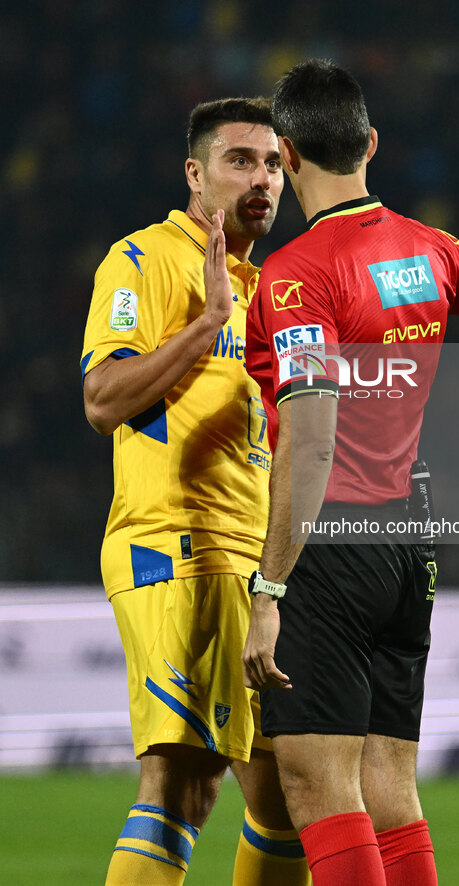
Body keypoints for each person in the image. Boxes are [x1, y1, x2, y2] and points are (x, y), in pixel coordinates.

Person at [204, 61, 459, 886]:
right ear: (369, 143)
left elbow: (310, 437)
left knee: (316, 785)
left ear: (285, 156)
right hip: (409, 537)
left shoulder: (296, 277)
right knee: (389, 787)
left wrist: (271, 590)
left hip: (332, 545)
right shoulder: (430, 250)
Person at [81, 97, 311, 886]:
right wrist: (205, 320)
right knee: (182, 785)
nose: (262, 179)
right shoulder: (143, 261)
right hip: (175, 545)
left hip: (255, 564)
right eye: (240, 161)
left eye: (274, 164)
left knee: (284, 792)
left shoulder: (268, 287)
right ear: (195, 172)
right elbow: (103, 398)